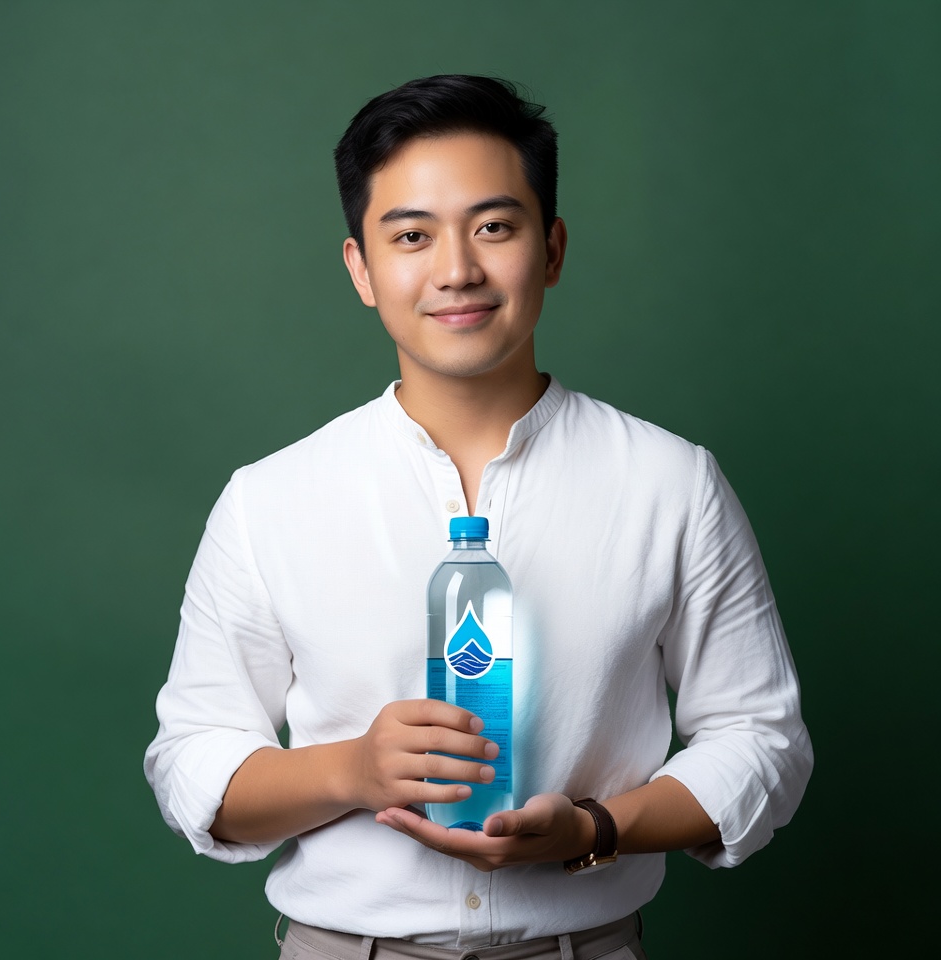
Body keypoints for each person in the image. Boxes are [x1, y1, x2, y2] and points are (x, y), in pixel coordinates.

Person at [144, 75, 813, 959]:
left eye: (494, 227)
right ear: (361, 270)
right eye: (412, 236)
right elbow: (191, 761)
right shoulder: (270, 498)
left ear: (554, 248)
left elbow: (761, 739)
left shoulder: (671, 483)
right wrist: (350, 769)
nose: (457, 269)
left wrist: (594, 829)